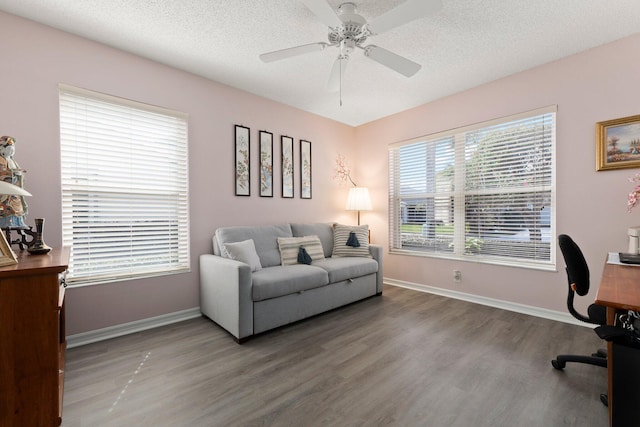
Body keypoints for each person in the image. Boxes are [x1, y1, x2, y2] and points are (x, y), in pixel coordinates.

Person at [0, 136, 28, 228]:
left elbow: (19, 174)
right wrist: (12, 173)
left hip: (15, 193)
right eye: (9, 148)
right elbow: (2, 174)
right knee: (5, 207)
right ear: (1, 148)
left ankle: (17, 222)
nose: (12, 151)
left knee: (18, 206)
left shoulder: (13, 161)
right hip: (5, 194)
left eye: (13, 149)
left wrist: (20, 174)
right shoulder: (1, 160)